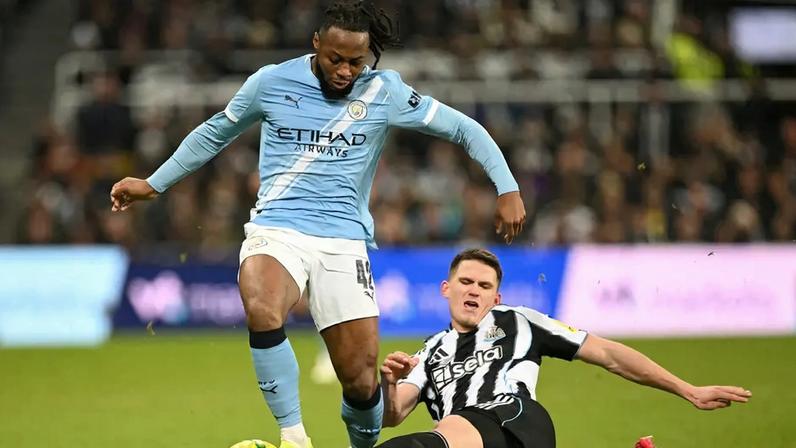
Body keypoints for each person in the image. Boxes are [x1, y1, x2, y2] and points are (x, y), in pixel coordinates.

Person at [108, 2, 526, 448]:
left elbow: (464, 129)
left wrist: (507, 187)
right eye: (335, 59)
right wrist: (154, 183)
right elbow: (214, 132)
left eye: (356, 62)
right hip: (277, 229)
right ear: (316, 44)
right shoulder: (270, 82)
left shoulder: (385, 92)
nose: (345, 70)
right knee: (262, 304)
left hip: (344, 243)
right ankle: (293, 437)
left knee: (362, 383)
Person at [377, 248, 752, 448]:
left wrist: (688, 389)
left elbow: (608, 355)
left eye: (485, 285)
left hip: (513, 419)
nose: (474, 290)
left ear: (496, 297)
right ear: (446, 288)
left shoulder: (517, 320)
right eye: (466, 281)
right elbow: (392, 416)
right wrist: (389, 382)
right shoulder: (430, 352)